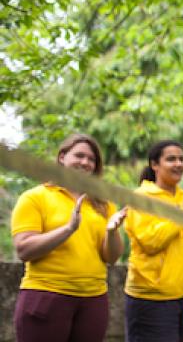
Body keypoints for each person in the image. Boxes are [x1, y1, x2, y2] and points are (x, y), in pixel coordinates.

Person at [10, 134, 127, 342]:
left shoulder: (104, 204)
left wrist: (111, 232)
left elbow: (112, 258)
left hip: (94, 300)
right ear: (62, 157)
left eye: (91, 159)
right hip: (46, 296)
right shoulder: (35, 197)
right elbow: (24, 249)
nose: (85, 162)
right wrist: (68, 229)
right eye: (79, 156)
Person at [124, 140, 183, 341]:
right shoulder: (140, 197)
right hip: (153, 297)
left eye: (181, 159)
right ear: (154, 165)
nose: (178, 164)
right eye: (171, 159)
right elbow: (150, 242)